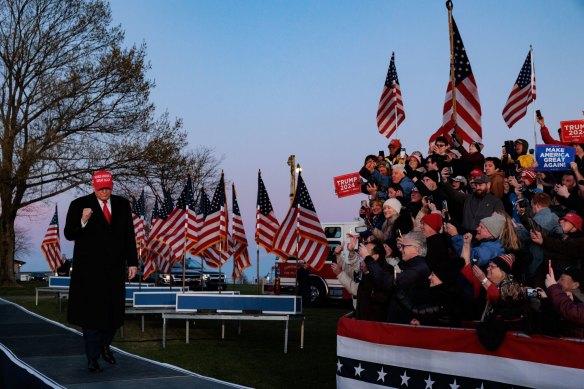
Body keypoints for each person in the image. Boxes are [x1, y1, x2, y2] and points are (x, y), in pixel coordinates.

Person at [64, 171, 138, 373]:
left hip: (114, 270)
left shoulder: (122, 205)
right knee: (91, 317)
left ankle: (105, 345)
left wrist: (132, 262)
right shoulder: (79, 204)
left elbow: (128, 235)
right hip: (88, 272)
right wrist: (83, 220)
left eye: (108, 188)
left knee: (115, 314)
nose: (105, 192)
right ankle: (92, 358)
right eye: (100, 188)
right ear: (93, 186)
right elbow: (69, 234)